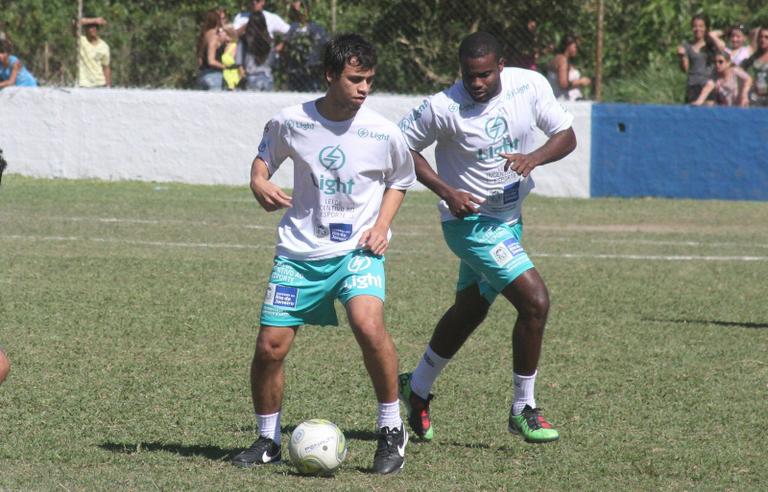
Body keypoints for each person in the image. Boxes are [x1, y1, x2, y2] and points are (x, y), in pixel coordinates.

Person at [230, 33, 415, 475]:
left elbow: (401, 179)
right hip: (298, 253)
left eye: (369, 80)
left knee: (369, 326)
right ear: (331, 75)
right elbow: (262, 162)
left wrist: (382, 225)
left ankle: (392, 430)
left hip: (357, 252)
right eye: (355, 79)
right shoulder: (290, 122)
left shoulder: (383, 131)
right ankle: (268, 439)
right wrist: (258, 181)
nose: (363, 89)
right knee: (270, 348)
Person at [397, 31, 576, 444]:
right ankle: (523, 408)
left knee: (470, 310)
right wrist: (447, 191)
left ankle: (417, 386)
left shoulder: (529, 85)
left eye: (483, 75)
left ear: (500, 66)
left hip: (509, 219)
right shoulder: (443, 107)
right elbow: (401, 147)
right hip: (469, 226)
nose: (475, 83)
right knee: (535, 302)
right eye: (468, 75)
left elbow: (566, 135)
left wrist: (534, 158)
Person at [282, 0, 329, 92]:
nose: (299, 12)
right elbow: (285, 46)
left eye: (301, 9)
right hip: (295, 72)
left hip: (312, 71)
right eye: (296, 11)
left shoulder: (317, 28)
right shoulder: (293, 28)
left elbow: (326, 46)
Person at [677, 14, 724, 103]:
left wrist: (713, 36)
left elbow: (723, 49)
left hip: (709, 85)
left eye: (701, 26)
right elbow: (685, 69)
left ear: (706, 28)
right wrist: (682, 57)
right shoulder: (687, 46)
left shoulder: (712, 45)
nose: (698, 29)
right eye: (695, 26)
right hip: (693, 85)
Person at [236, 13, 275, 91]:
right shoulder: (270, 41)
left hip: (251, 78)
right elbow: (273, 62)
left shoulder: (244, 40)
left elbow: (239, 62)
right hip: (267, 78)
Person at [546, 34, 590, 101]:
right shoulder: (562, 60)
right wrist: (580, 82)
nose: (577, 49)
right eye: (575, 47)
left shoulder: (559, 58)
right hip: (564, 103)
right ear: (568, 46)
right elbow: (563, 84)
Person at [77, 16, 111, 88]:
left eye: (95, 27)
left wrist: (108, 86)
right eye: (90, 27)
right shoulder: (81, 41)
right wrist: (95, 20)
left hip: (100, 84)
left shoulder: (104, 46)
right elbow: (76, 23)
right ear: (85, 29)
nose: (93, 29)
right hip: (83, 84)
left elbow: (106, 67)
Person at [197, 9, 226, 91]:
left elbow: (200, 58)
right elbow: (211, 60)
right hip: (214, 76)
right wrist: (225, 67)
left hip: (203, 74)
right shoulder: (214, 37)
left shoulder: (205, 35)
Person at [741, 27, 768, 107]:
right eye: (761, 36)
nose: (763, 39)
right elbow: (747, 75)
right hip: (757, 97)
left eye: (766, 37)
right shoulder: (754, 57)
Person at [220, 24, 242, 90]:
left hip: (233, 79)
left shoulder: (234, 46)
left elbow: (239, 64)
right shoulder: (223, 47)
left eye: (222, 32)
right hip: (225, 78)